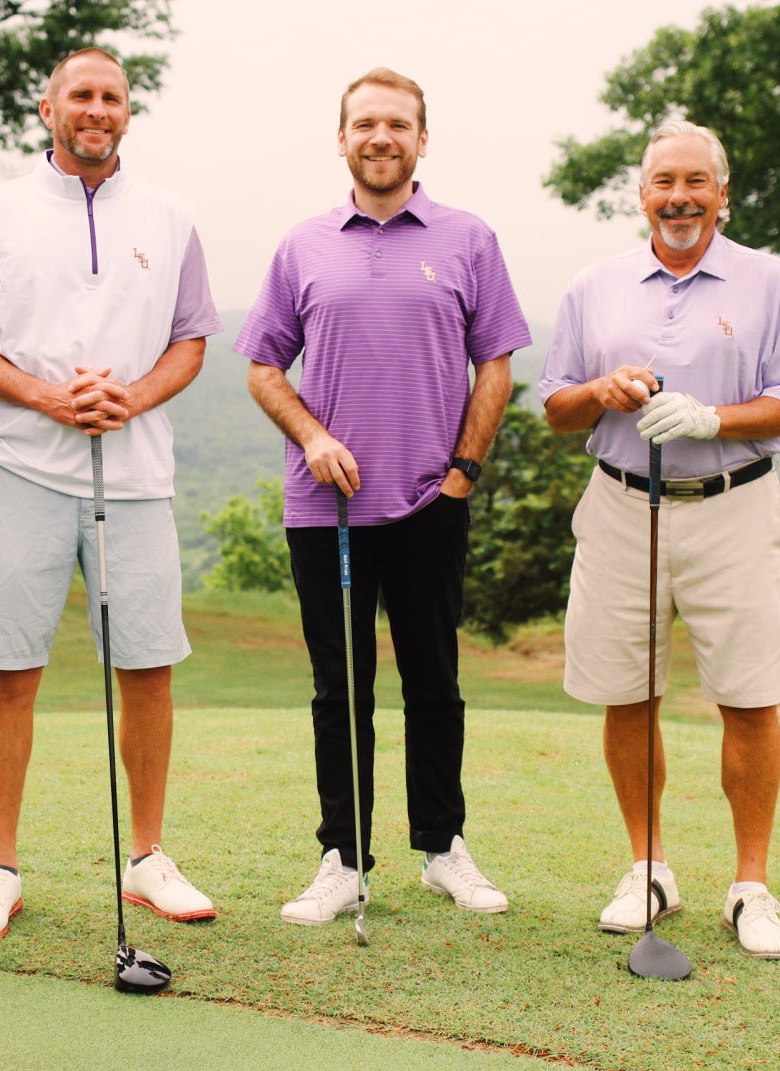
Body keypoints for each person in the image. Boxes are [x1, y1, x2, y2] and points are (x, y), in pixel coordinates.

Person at [0, 48, 222, 942]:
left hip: (135, 477)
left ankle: (148, 858)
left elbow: (191, 341)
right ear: (47, 106)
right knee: (13, 673)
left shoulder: (171, 219)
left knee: (148, 670)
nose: (96, 110)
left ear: (128, 114)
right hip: (22, 467)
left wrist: (131, 395)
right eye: (81, 96)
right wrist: (50, 396)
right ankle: (0, 869)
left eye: (112, 98)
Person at [236, 68, 531, 925]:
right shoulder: (303, 245)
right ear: (342, 138)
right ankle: (344, 859)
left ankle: (443, 849)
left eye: (398, 124)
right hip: (325, 509)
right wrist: (315, 437)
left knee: (435, 683)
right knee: (342, 689)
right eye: (365, 123)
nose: (381, 137)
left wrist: (463, 472)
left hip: (430, 503)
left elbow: (498, 361)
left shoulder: (469, 238)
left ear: (422, 140)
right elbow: (263, 366)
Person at [540, 121, 780, 959]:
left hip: (736, 503)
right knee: (627, 691)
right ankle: (648, 868)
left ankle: (751, 884)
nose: (678, 197)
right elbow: (555, 407)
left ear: (722, 193)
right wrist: (600, 391)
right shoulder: (594, 286)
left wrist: (716, 417)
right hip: (620, 503)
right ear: (640, 194)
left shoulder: (768, 279)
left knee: (751, 696)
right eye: (661, 183)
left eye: (694, 182)